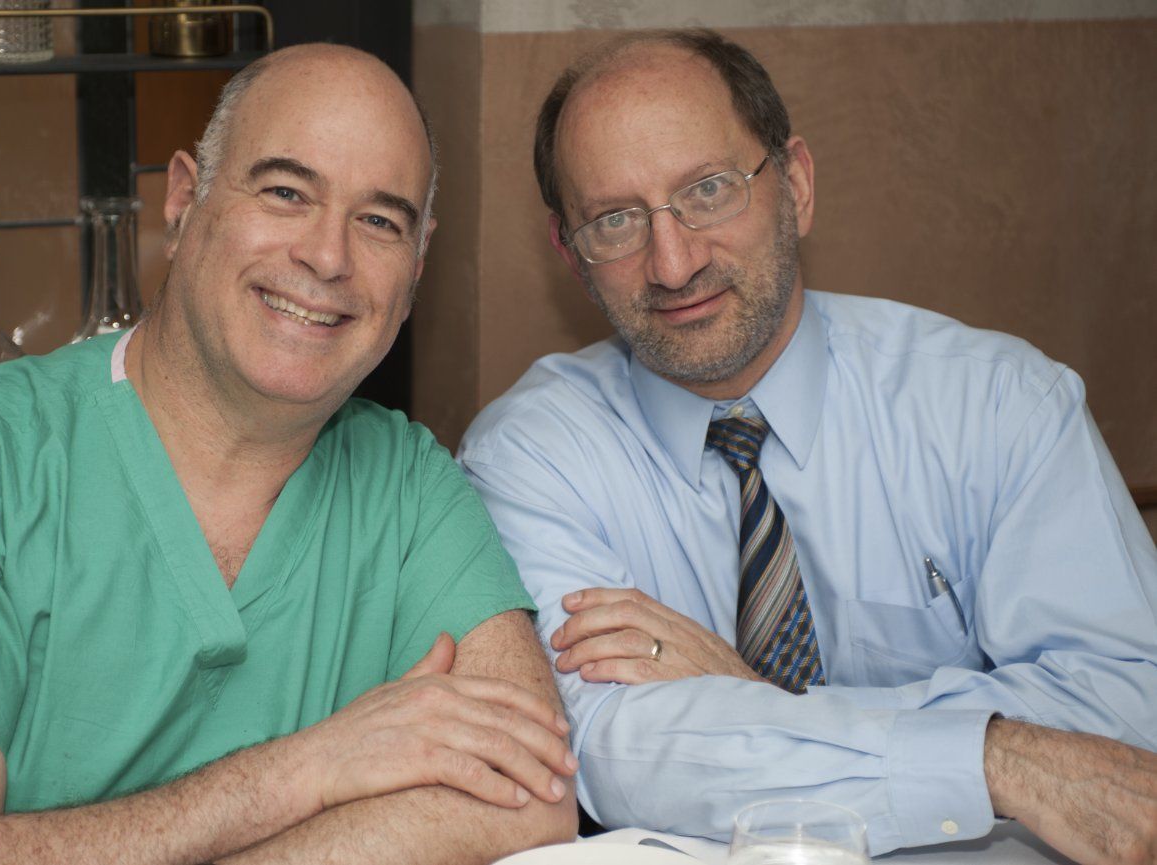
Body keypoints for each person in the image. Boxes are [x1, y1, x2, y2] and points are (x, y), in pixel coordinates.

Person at [0, 44, 579, 865]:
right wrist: (306, 769)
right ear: (185, 197)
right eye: (284, 191)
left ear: (416, 266)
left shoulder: (409, 487)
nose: (328, 257)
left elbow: (530, 798)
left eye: (379, 221)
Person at [458, 28, 1157, 864]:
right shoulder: (530, 453)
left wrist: (745, 700)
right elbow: (611, 751)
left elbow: (1127, 711)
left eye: (710, 190)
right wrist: (991, 754)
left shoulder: (1000, 404)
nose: (673, 264)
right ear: (571, 255)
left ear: (795, 184)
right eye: (615, 220)